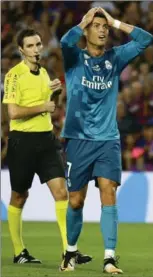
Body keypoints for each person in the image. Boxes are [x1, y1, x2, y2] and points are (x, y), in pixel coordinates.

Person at [60, 7, 153, 274]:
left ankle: (109, 258)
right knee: (76, 201)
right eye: (97, 26)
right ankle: (70, 252)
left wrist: (115, 22)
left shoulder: (116, 57)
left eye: (105, 27)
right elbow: (66, 40)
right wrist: (82, 21)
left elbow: (145, 39)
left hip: (108, 140)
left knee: (108, 193)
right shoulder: (74, 58)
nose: (102, 30)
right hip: (78, 139)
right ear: (87, 30)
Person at [3, 28, 92, 265]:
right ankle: (19, 251)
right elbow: (12, 112)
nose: (36, 50)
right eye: (30, 46)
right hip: (22, 141)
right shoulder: (14, 75)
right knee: (20, 196)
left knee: (62, 193)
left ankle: (68, 250)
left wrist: (56, 95)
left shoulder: (44, 73)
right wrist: (43, 106)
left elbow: (51, 106)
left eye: (38, 44)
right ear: (21, 50)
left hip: (46, 141)